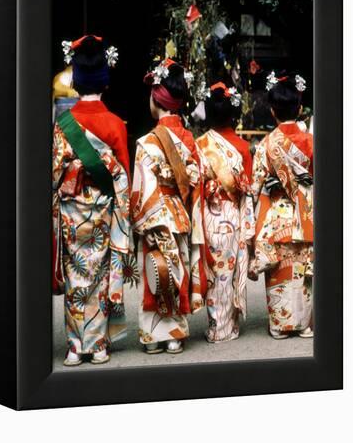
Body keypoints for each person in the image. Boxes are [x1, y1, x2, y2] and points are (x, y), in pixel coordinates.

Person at [52, 35, 132, 366]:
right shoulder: (115, 123)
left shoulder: (63, 124)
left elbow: (55, 172)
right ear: (105, 81)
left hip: (72, 215)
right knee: (98, 276)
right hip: (101, 213)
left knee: (75, 276)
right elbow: (123, 175)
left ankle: (74, 346)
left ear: (77, 81)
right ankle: (98, 344)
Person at [131, 58, 202, 354]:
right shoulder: (190, 141)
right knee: (177, 271)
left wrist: (142, 221)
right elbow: (198, 180)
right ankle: (175, 335)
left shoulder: (147, 142)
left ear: (156, 100)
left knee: (156, 274)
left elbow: (140, 187)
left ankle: (154, 337)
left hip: (155, 213)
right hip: (180, 214)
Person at [250, 72, 313, 339]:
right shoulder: (312, 142)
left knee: (280, 267)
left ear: (272, 111)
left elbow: (254, 187)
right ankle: (305, 324)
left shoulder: (266, 145)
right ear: (299, 108)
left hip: (277, 215)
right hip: (306, 213)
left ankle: (280, 324)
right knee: (302, 269)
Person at [191, 82, 255, 343]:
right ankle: (228, 325)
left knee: (213, 270)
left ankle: (216, 324)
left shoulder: (199, 144)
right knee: (228, 271)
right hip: (232, 214)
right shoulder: (241, 146)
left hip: (207, 213)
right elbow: (247, 186)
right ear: (234, 113)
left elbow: (195, 183)